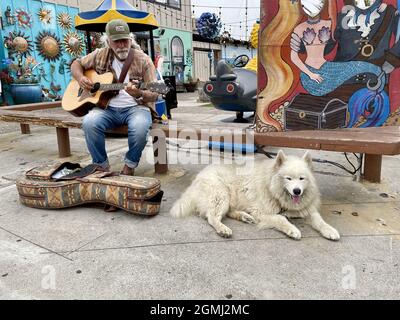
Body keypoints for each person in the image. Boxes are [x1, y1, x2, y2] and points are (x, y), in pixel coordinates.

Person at [71, 19, 158, 175]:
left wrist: (140, 93)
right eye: (117, 41)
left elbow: (155, 93)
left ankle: (130, 165)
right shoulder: (100, 54)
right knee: (89, 122)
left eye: (125, 40)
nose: (122, 45)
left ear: (130, 39)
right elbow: (76, 64)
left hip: (136, 108)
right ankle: (101, 165)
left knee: (140, 128)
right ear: (108, 41)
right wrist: (80, 78)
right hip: (107, 108)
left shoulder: (143, 60)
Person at [290, 0, 385, 97]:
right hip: (308, 76)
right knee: (355, 68)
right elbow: (294, 57)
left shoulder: (330, 23)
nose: (313, 7)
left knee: (358, 67)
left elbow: (337, 39)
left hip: (327, 69)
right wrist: (310, 74)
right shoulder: (299, 28)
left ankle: (379, 74)